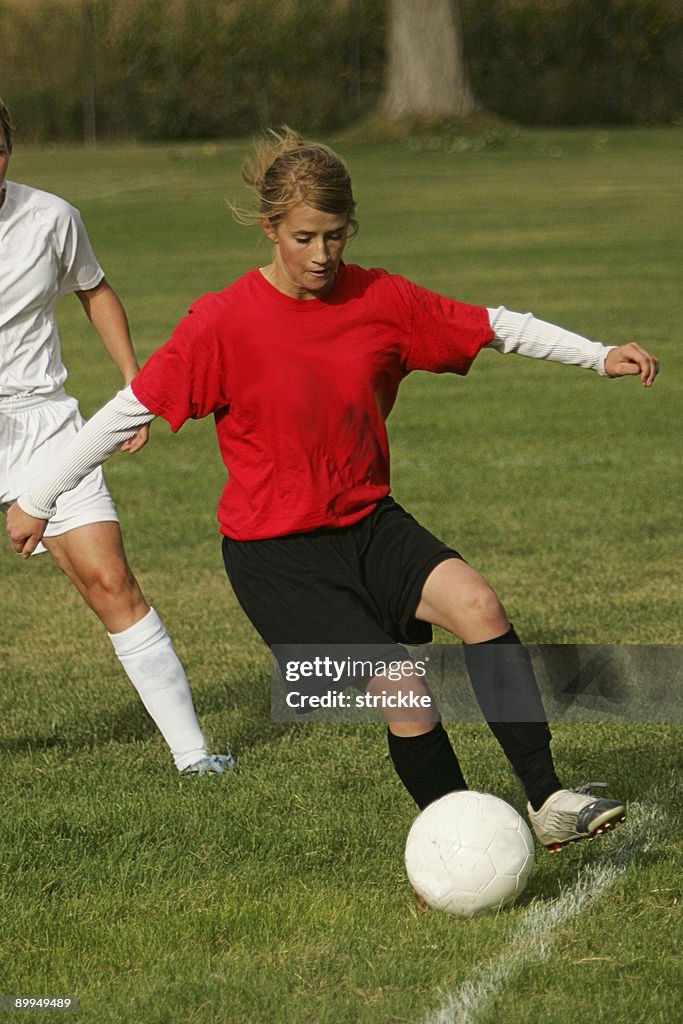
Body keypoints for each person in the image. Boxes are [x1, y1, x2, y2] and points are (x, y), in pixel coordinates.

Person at [7, 127, 659, 848]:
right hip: (276, 558)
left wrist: (597, 355)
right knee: (404, 693)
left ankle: (547, 800)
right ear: (270, 230)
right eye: (304, 237)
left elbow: (493, 325)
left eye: (335, 236)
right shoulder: (221, 322)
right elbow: (124, 413)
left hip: (368, 523)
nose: (322, 254)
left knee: (478, 604)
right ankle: (459, 841)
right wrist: (40, 498)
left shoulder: (379, 297)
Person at [0, 98, 234, 776]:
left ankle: (195, 758)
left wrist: (135, 387)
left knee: (110, 580)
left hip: (46, 426)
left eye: (0, 149)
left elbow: (95, 290)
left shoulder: (50, 218)